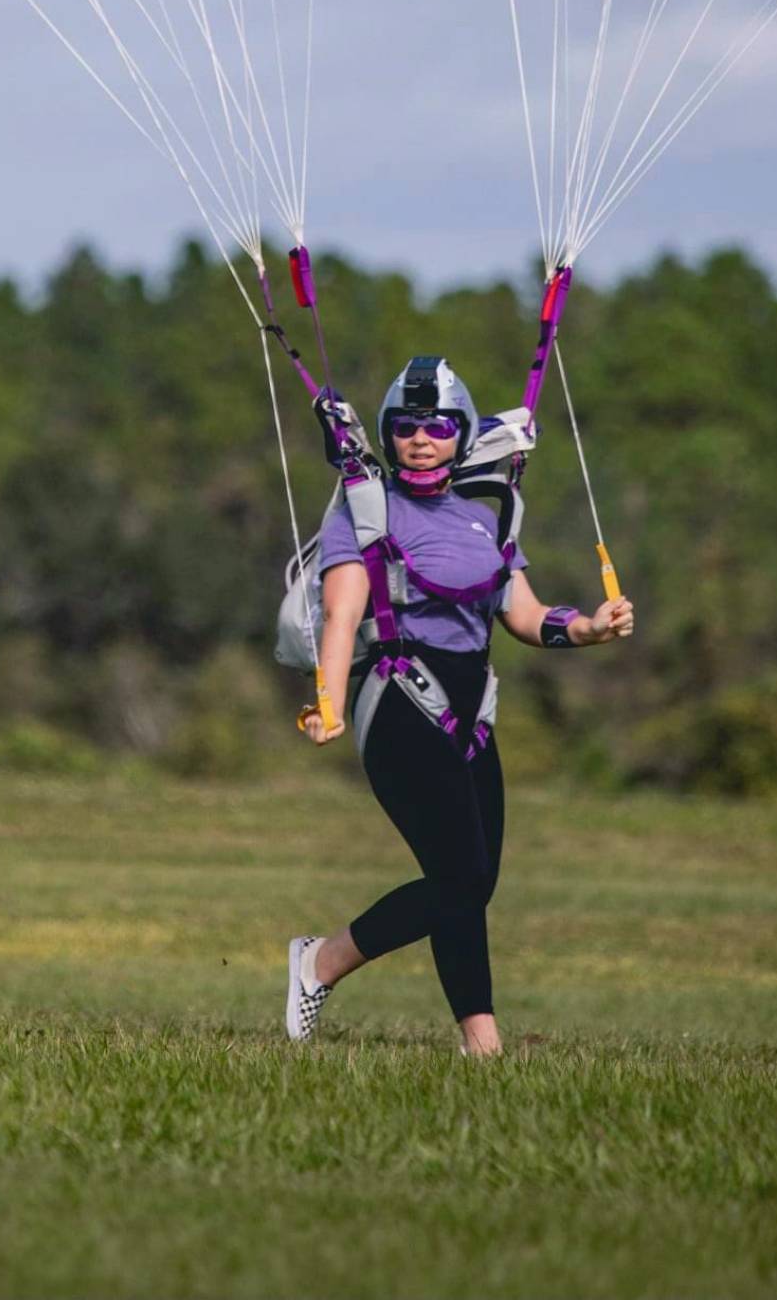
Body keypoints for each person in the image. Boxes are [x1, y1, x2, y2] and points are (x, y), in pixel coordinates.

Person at [285, 356, 633, 1055]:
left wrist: (592, 628)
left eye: (438, 425)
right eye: (407, 426)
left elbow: (527, 615)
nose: (421, 438)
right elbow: (344, 615)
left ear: (461, 435)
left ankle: (322, 961)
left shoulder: (485, 519)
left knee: (473, 882)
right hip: (398, 699)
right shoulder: (365, 512)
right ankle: (483, 1043)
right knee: (458, 876)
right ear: (389, 433)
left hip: (474, 709)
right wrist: (328, 701)